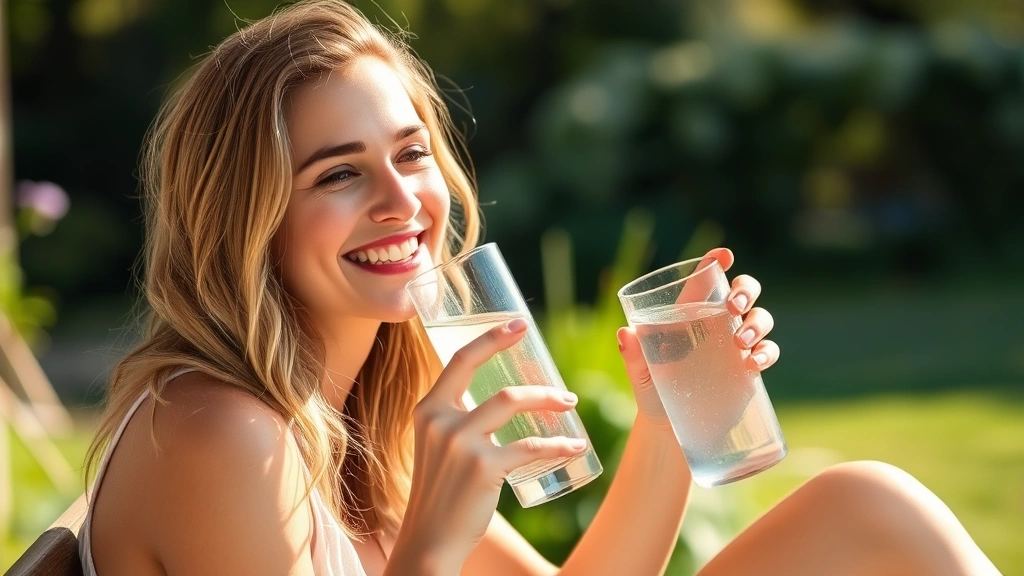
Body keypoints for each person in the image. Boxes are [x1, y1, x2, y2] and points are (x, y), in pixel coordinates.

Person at [78, 1, 1001, 575]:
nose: (404, 201)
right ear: (244, 216)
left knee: (871, 505)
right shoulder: (220, 434)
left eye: (411, 154)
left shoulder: (357, 412)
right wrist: (431, 548)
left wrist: (668, 419)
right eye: (338, 174)